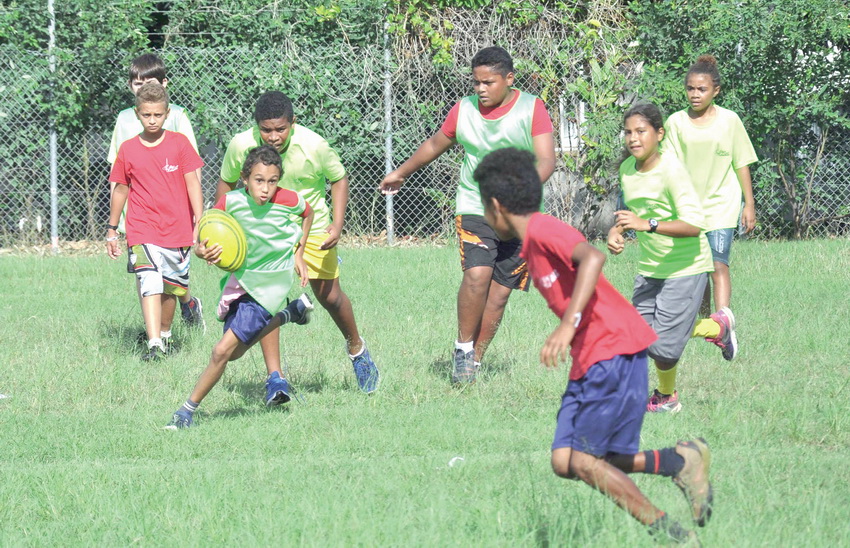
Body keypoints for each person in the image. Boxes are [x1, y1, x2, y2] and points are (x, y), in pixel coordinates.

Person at [475, 147, 712, 544]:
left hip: (614, 348)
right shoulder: (529, 244)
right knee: (565, 461)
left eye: (481, 205)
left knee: (586, 461)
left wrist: (567, 326)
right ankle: (678, 460)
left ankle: (674, 536)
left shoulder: (543, 230)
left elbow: (592, 258)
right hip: (591, 357)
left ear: (496, 206)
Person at [379, 46, 556, 384]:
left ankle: (474, 360)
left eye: (488, 82)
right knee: (477, 275)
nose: (480, 89)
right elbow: (435, 143)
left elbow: (546, 160)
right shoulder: (464, 109)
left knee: (501, 293)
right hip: (476, 204)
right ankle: (462, 349)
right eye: (476, 82)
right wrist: (402, 172)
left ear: (508, 79)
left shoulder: (532, 108)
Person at [216, 92, 379, 393]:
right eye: (266, 129)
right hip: (262, 232)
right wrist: (221, 230)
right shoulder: (241, 145)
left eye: (280, 129)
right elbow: (226, 183)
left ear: (293, 122)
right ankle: (275, 379)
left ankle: (357, 348)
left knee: (329, 297)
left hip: (312, 227)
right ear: (257, 127)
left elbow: (339, 179)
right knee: (267, 298)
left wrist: (337, 224)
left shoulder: (314, 145)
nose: (274, 137)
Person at [167, 145, 315, 429]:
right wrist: (201, 251)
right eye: (259, 180)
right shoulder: (230, 202)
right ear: (245, 178)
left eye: (272, 181)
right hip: (239, 282)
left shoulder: (289, 200)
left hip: (270, 285)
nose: (266, 189)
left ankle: (186, 412)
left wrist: (299, 251)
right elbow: (204, 233)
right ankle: (290, 314)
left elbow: (307, 214)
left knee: (221, 351)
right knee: (234, 353)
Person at [608, 103, 735, 413]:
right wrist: (617, 231)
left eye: (641, 131)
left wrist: (646, 225)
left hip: (686, 267)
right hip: (651, 267)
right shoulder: (627, 170)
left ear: (659, 134)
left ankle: (667, 398)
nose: (633, 139)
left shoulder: (673, 171)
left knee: (662, 345)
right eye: (628, 132)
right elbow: (632, 216)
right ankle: (715, 328)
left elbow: (694, 225)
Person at [664, 54, 757, 358]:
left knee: (718, 263)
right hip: (688, 207)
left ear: (715, 90)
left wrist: (749, 204)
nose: (694, 94)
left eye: (701, 89)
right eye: (690, 89)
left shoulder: (730, 121)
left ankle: (724, 320)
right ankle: (705, 323)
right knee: (696, 269)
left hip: (722, 203)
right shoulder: (676, 123)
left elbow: (741, 163)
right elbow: (667, 165)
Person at [106, 82, 204, 360]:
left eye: (158, 115)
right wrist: (112, 229)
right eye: (147, 115)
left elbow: (193, 184)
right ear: (137, 114)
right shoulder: (128, 149)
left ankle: (165, 336)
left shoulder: (179, 144)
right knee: (149, 280)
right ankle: (154, 345)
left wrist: (200, 220)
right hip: (141, 228)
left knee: (170, 289)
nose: (152, 120)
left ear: (167, 113)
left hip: (177, 229)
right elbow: (121, 189)